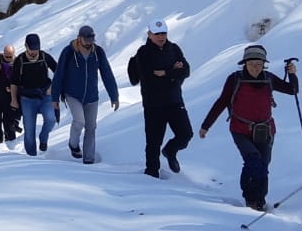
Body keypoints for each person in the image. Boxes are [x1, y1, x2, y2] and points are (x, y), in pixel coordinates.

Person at [200, 45, 300, 212]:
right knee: (253, 160)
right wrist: (206, 126)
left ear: (264, 64)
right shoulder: (235, 79)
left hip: (266, 129)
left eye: (259, 63)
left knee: (263, 165)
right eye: (252, 63)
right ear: (244, 63)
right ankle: (250, 199)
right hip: (240, 129)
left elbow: (293, 90)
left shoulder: (268, 78)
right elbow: (222, 102)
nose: (255, 67)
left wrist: (292, 74)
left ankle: (260, 199)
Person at [126, 19, 192, 177]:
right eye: (157, 34)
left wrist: (166, 73)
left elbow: (186, 71)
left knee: (185, 134)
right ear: (149, 34)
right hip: (153, 104)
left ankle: (170, 150)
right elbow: (149, 78)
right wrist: (173, 71)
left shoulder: (174, 49)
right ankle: (151, 173)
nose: (161, 37)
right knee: (153, 142)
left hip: (175, 101)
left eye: (163, 33)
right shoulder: (143, 52)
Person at [52, 25, 120, 164]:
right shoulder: (69, 52)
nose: (89, 43)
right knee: (79, 121)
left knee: (91, 127)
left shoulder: (98, 52)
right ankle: (73, 144)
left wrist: (114, 95)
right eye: (87, 39)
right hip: (72, 94)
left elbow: (106, 73)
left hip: (91, 96)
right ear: (79, 38)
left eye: (92, 39)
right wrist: (55, 97)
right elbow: (59, 74)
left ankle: (89, 160)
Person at [13, 34, 59, 156]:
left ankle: (43, 137)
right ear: (26, 47)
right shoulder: (20, 60)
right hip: (27, 99)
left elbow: (59, 72)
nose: (34, 52)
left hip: (45, 96)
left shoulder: (44, 57)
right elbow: (14, 82)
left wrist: (52, 87)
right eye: (31, 50)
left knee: (51, 119)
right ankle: (31, 158)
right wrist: (14, 100)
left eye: (36, 50)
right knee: (29, 131)